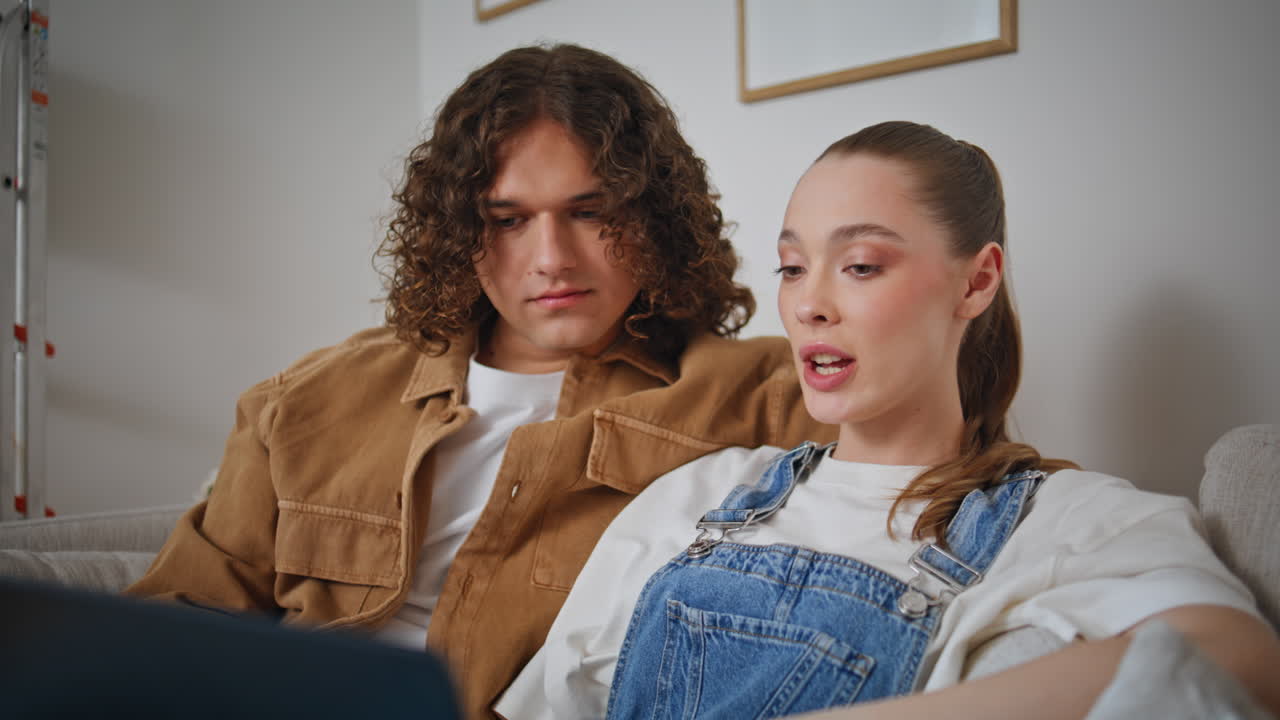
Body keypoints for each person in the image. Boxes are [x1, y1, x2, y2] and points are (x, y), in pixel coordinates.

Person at [126, 44, 834, 720]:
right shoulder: (304, 401)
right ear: (458, 230)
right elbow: (179, 622)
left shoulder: (756, 393)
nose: (551, 258)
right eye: (508, 220)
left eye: (589, 213)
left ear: (654, 219)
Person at [496, 121, 1280, 719]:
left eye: (861, 265)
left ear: (975, 283)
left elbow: (1242, 658)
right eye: (793, 266)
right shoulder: (701, 493)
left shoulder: (1068, 518)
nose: (809, 303)